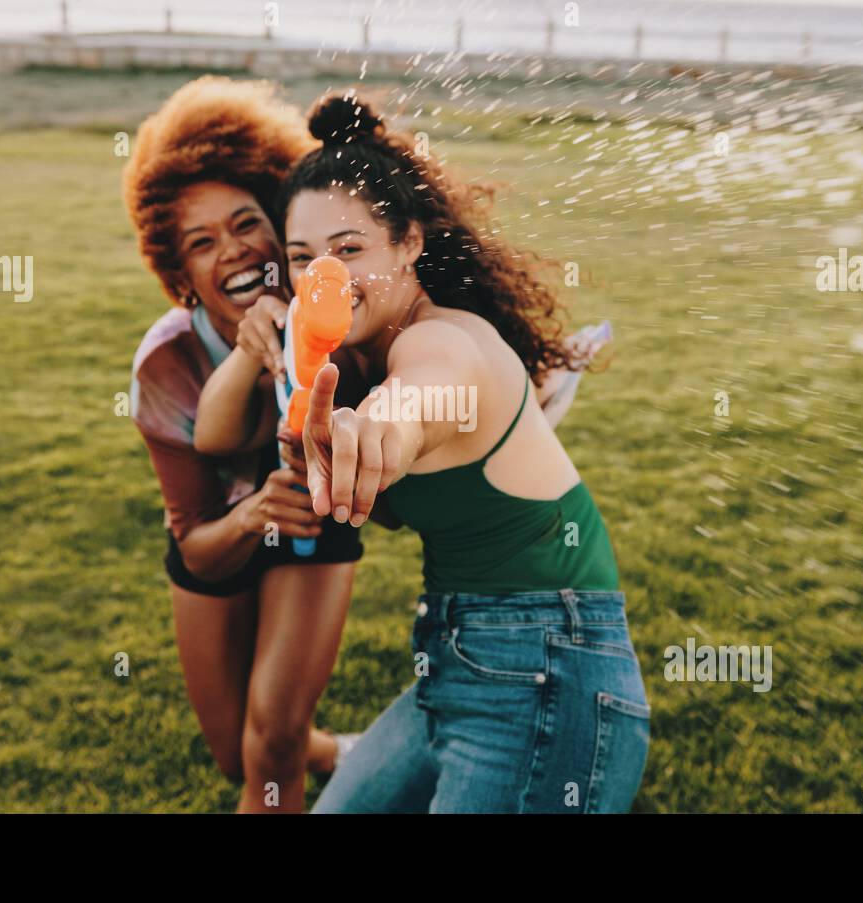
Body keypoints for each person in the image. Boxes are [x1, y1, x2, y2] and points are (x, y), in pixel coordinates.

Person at [270, 93, 652, 813]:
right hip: (457, 663)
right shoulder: (363, 359)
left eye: (350, 249)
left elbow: (423, 398)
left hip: (551, 669)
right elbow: (387, 498)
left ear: (410, 241)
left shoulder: (441, 342)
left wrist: (381, 429)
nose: (325, 277)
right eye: (302, 259)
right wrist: (325, 454)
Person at [122, 76, 368, 813]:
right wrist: (253, 513)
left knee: (271, 749)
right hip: (224, 532)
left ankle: (299, 746)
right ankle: (334, 750)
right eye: (201, 242)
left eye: (246, 223)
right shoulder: (165, 367)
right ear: (182, 276)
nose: (232, 252)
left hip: (308, 522)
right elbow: (194, 544)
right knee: (236, 755)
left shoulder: (326, 314)